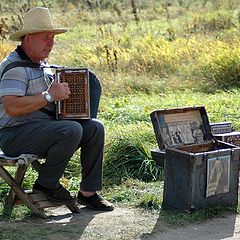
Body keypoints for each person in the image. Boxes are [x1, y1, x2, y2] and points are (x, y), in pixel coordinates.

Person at [0, 7, 114, 211]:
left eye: (52, 37)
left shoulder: (41, 65)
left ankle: (88, 192)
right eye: (45, 37)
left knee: (95, 128)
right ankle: (46, 185)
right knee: (71, 129)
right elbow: (11, 107)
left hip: (40, 130)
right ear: (27, 39)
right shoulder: (14, 68)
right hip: (12, 135)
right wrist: (50, 95)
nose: (51, 43)